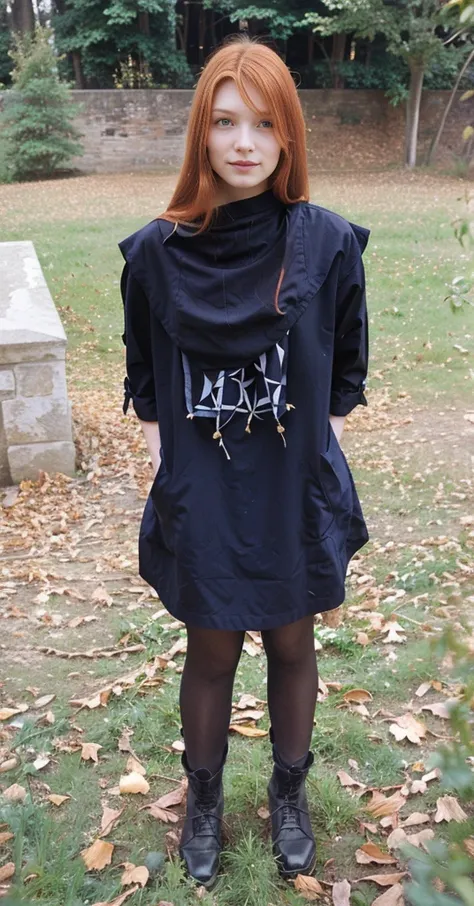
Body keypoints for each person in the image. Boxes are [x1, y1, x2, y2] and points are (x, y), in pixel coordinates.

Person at [119, 35, 370, 890]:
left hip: (291, 486)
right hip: (205, 492)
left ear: (288, 135)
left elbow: (346, 376)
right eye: (226, 121)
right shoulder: (154, 254)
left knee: (292, 640)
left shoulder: (328, 244)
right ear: (201, 133)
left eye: (264, 123)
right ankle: (204, 797)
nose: (244, 142)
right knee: (213, 649)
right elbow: (145, 382)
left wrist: (304, 458)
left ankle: (289, 793)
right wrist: (175, 477)